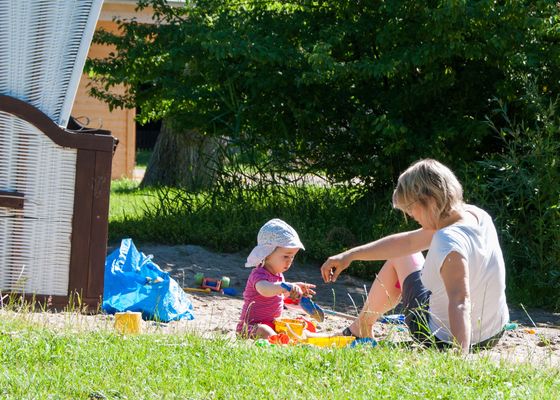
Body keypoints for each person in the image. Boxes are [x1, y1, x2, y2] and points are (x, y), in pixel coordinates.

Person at [320, 159, 509, 353]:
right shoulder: (476, 215)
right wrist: (350, 255)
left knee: (400, 257)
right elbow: (408, 242)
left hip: (443, 338)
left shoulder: (447, 239)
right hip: (493, 333)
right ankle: (361, 326)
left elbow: (460, 301)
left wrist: (461, 356)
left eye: (410, 209)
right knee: (403, 252)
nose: (411, 216)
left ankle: (360, 328)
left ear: (430, 201)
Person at [237, 218, 316, 339]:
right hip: (250, 327)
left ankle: (321, 337)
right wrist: (285, 286)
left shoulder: (279, 276)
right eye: (286, 256)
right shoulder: (258, 274)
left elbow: (277, 298)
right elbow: (265, 290)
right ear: (267, 254)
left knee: (298, 328)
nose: (289, 261)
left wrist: (292, 292)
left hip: (273, 324)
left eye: (292, 257)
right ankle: (281, 343)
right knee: (265, 330)